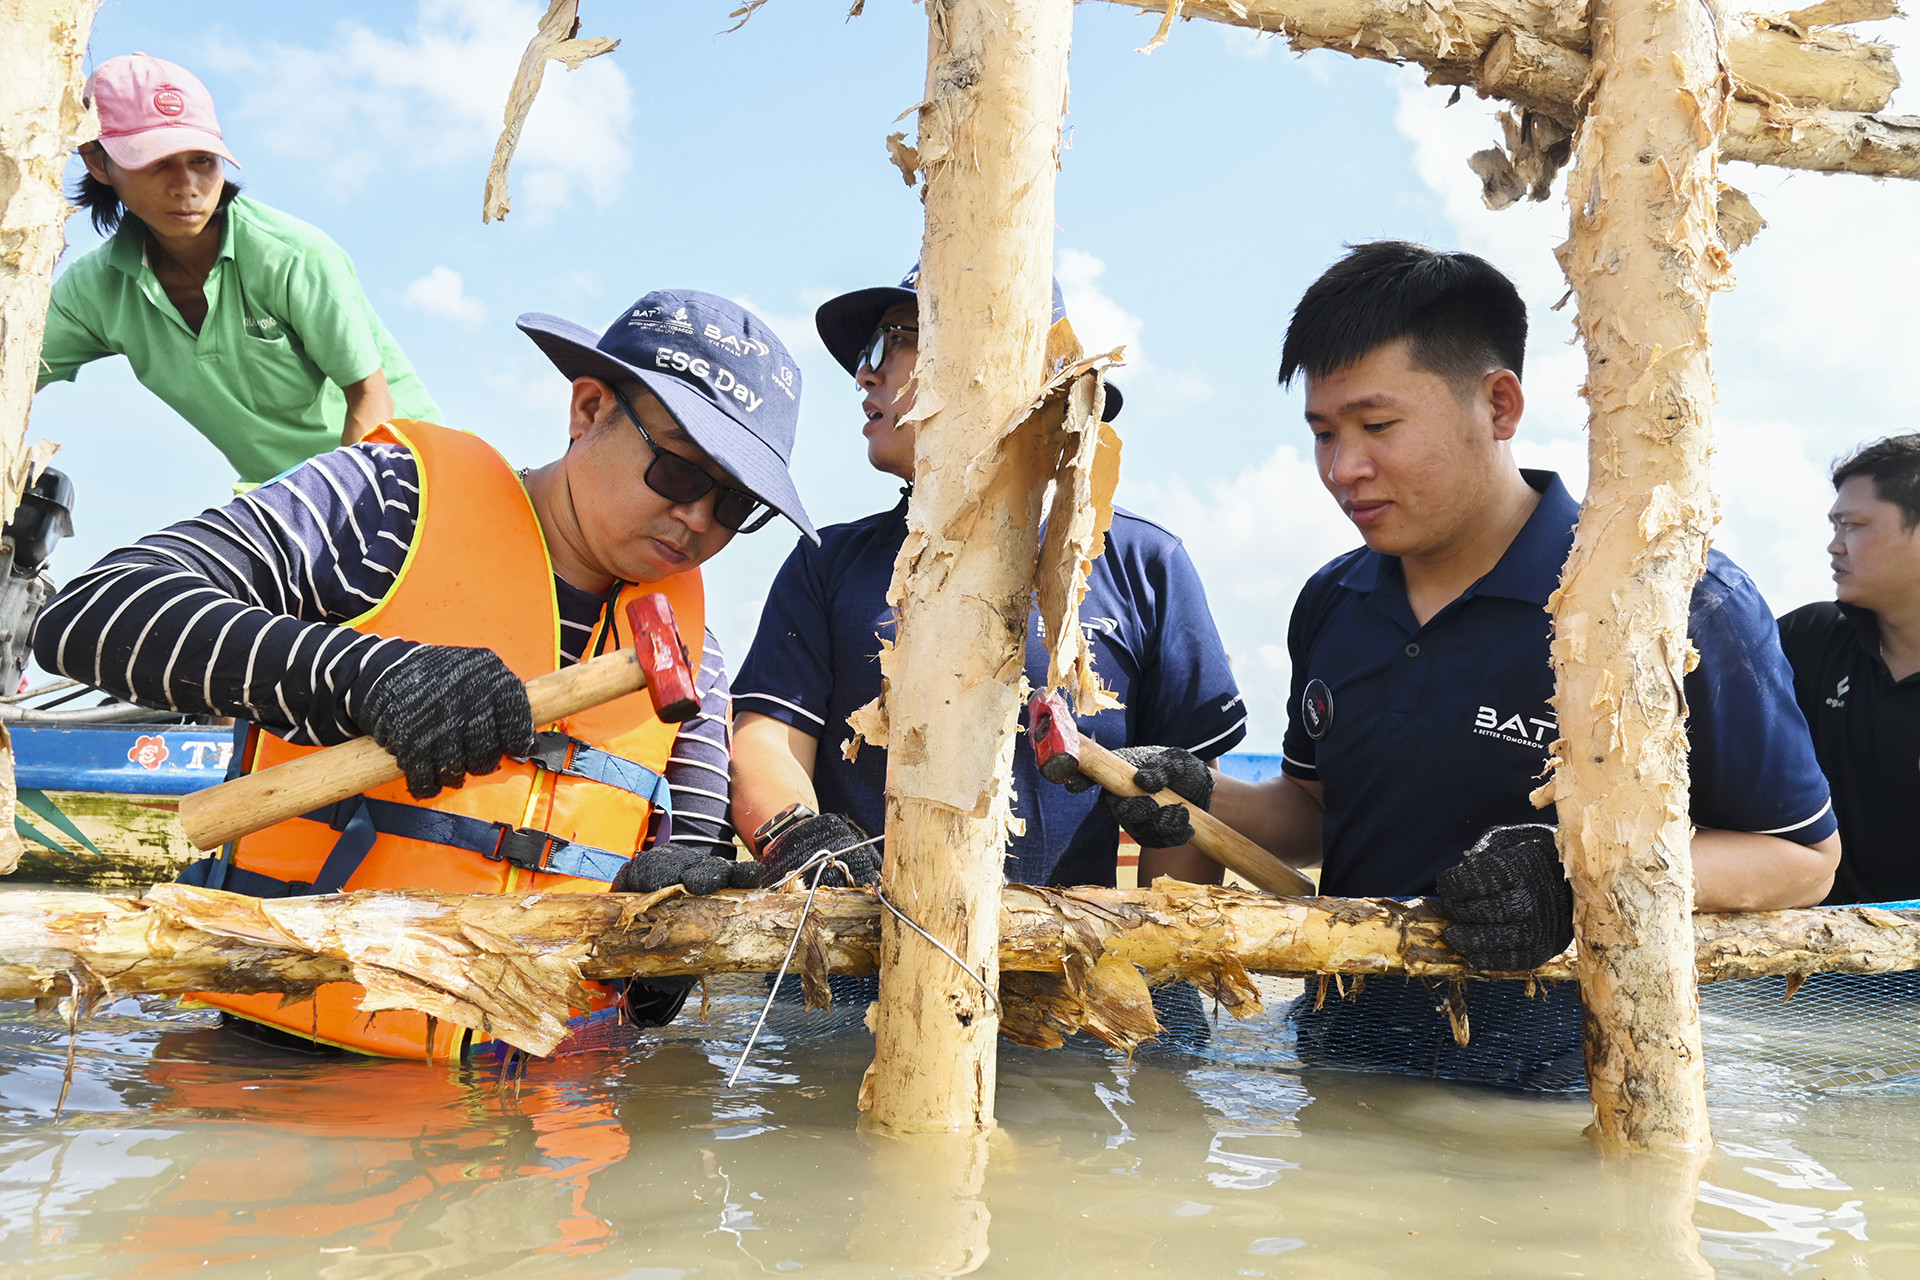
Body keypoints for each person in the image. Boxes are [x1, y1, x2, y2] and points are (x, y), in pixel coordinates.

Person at [1054, 241, 1841, 1090]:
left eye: (1378, 426)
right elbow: (1317, 811)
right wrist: (1199, 792)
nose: (1341, 469)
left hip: (1573, 1090)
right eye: (1323, 432)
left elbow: (1799, 858)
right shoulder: (1334, 601)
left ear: (1499, 405)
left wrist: (1571, 873)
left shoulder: (1668, 599)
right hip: (1340, 1063)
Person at [31, 290, 814, 1060]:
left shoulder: (696, 659)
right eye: (679, 471)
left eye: (737, 503)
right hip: (277, 1073)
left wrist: (661, 944)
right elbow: (93, 616)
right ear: (588, 409)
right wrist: (364, 675)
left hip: (545, 1126)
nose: (702, 518)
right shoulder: (384, 502)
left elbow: (668, 936)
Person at [728, 266, 1246, 892]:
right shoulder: (829, 562)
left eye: (893, 340)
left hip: (1068, 971)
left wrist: (1170, 980)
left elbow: (1180, 807)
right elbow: (767, 741)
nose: (864, 373)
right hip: (854, 965)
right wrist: (799, 839)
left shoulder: (1143, 563)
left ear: (1004, 363)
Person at [35, 53, 441, 486]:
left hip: (405, 476)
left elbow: (369, 396)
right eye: (157, 162)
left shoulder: (293, 256)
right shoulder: (92, 292)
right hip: (288, 504)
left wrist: (338, 518)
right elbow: (13, 378)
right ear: (98, 163)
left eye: (202, 160)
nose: (187, 186)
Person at [1778, 434, 1920, 905]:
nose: (1834, 546)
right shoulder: (1808, 637)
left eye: (1853, 525)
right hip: (1803, 958)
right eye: (1834, 525)